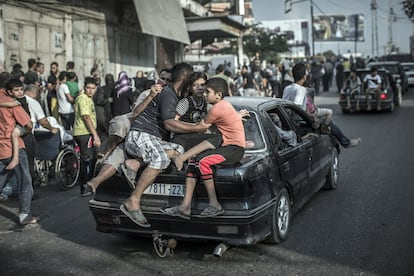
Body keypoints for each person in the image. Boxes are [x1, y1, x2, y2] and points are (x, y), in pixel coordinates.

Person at [120, 62, 210, 228]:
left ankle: (135, 163)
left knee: (178, 151)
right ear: (184, 78)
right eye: (191, 80)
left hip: (151, 139)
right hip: (141, 135)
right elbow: (169, 124)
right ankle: (133, 201)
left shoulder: (176, 96)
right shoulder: (168, 93)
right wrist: (196, 128)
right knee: (160, 158)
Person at [163, 77, 245, 219]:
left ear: (218, 95)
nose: (204, 93)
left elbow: (201, 128)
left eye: (208, 91)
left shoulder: (218, 108)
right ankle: (185, 207)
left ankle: (215, 205)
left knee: (203, 162)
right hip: (225, 146)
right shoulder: (221, 106)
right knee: (194, 161)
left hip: (234, 149)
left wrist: (179, 132)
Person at [283, 63, 361, 148]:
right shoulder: (301, 90)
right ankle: (345, 142)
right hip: (301, 120)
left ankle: (341, 140)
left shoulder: (287, 88)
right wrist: (312, 119)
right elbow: (297, 108)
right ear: (304, 77)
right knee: (330, 121)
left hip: (288, 118)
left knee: (328, 118)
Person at [0, 76, 36, 225]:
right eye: (17, 89)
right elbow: (28, 124)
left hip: (1, 149)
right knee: (25, 182)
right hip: (14, 147)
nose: (20, 92)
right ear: (9, 90)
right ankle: (24, 214)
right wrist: (22, 131)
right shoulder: (13, 104)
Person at [73, 77, 101, 196]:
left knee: (93, 158)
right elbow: (86, 117)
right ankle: (84, 186)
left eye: (93, 88)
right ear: (84, 88)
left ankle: (90, 183)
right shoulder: (83, 98)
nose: (90, 90)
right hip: (84, 133)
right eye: (88, 88)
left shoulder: (89, 98)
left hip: (87, 132)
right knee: (86, 160)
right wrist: (95, 135)